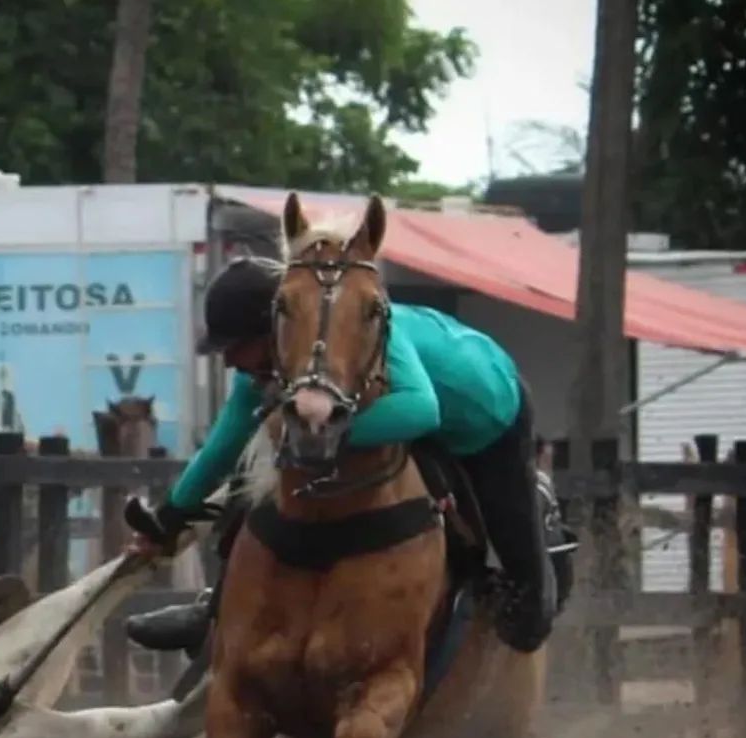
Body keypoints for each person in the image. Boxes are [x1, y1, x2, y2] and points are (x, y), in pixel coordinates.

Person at [125, 255, 564, 656]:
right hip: (403, 411)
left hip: (486, 411)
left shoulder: (361, 339)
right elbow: (225, 445)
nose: (229, 360)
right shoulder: (266, 367)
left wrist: (320, 436)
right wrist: (169, 518)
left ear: (276, 331)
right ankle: (215, 611)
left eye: (235, 345)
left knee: (527, 609)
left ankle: (527, 595)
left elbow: (422, 409)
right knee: (263, 481)